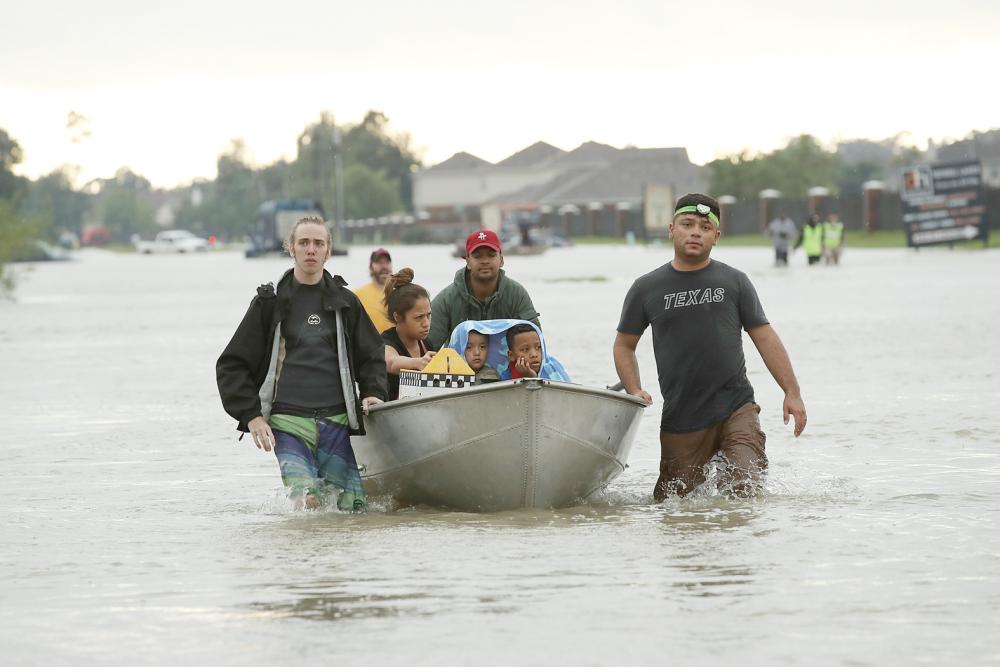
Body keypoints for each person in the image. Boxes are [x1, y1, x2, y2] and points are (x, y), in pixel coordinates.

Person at [613, 193, 807, 499]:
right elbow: (624, 345)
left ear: (716, 236)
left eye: (704, 227)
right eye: (687, 224)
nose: (695, 232)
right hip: (682, 418)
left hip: (736, 408)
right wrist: (634, 389)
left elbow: (765, 337)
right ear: (671, 229)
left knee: (745, 488)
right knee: (673, 505)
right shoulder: (646, 288)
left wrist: (791, 392)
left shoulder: (735, 281)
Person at [216, 216, 387, 511]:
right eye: (304, 243)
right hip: (287, 422)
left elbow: (372, 353)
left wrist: (373, 392)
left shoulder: (346, 301)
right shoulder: (269, 302)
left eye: (318, 243)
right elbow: (231, 365)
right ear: (291, 249)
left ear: (328, 251)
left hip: (337, 420)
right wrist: (252, 416)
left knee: (353, 509)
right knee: (306, 502)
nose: (311, 249)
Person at [427, 229, 540, 349]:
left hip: (507, 366)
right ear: (468, 262)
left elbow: (536, 343)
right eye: (477, 256)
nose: (485, 261)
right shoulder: (447, 299)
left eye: (491, 255)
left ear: (501, 260)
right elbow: (425, 346)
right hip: (460, 366)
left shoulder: (517, 294)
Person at [446, 319, 571, 382]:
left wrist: (531, 377)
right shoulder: (506, 376)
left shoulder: (551, 370)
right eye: (525, 349)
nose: (534, 354)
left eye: (538, 348)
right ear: (511, 355)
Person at [381, 268, 436, 400]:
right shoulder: (385, 342)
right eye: (419, 317)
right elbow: (392, 363)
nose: (426, 323)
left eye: (428, 315)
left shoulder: (426, 344)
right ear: (398, 317)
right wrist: (418, 363)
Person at [354, 248, 394, 332]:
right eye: (379, 263)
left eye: (387, 262)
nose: (384, 266)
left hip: (395, 344)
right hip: (370, 344)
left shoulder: (400, 293)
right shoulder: (357, 295)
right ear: (371, 267)